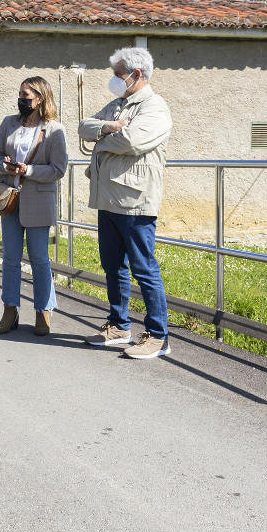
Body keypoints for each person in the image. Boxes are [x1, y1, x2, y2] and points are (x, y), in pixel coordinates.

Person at [78, 47, 173, 359]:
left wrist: (104, 139)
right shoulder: (119, 105)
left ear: (137, 75)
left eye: (119, 74)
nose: (114, 80)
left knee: (143, 267)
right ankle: (119, 326)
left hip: (135, 201)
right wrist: (108, 127)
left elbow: (132, 141)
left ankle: (159, 335)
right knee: (112, 265)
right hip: (109, 198)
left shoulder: (154, 107)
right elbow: (83, 126)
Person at [0, 77, 67, 336]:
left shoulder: (54, 129)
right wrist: (6, 166)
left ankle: (43, 311)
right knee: (10, 257)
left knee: (39, 259)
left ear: (40, 98)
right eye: (20, 94)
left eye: (26, 95)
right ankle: (9, 310)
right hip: (10, 199)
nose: (21, 99)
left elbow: (59, 169)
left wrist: (28, 169)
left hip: (39, 199)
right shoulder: (8, 123)